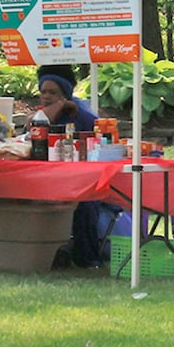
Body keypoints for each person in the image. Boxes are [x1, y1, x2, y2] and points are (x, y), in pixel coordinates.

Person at [40, 65, 113, 268]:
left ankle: (87, 258)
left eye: (52, 92)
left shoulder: (83, 117)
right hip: (47, 180)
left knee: (84, 204)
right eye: (43, 92)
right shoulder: (41, 116)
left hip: (84, 182)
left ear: (65, 94)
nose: (45, 96)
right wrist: (50, 112)